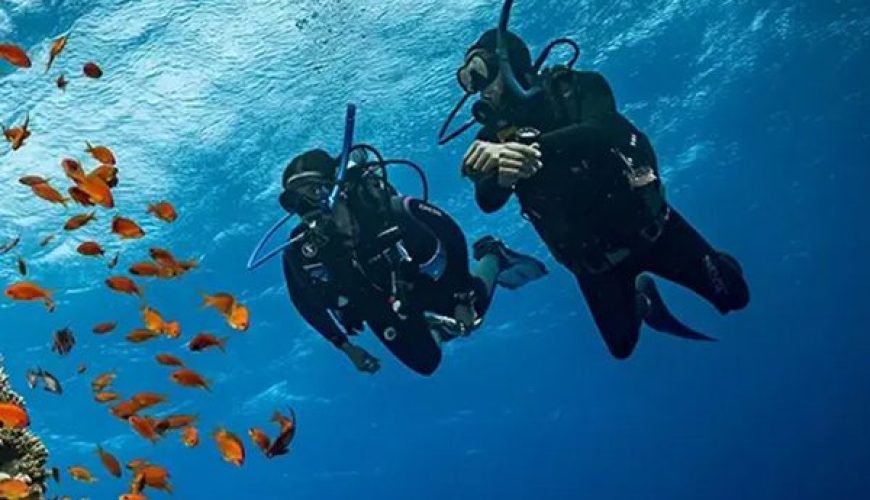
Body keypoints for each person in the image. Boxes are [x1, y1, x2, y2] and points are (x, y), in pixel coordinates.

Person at [438, 0, 750, 359]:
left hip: (653, 230)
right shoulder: (491, 138)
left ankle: (713, 262)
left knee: (736, 297)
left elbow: (606, 129)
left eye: (479, 72)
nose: (478, 90)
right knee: (622, 347)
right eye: (467, 81)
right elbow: (487, 201)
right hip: (595, 264)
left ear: (509, 62)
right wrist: (505, 175)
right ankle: (643, 298)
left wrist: (530, 148)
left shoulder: (576, 87)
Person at [261, 116, 547, 375]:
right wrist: (346, 347)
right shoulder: (300, 251)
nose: (305, 206)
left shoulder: (393, 210)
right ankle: (432, 326)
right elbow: (304, 301)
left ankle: (492, 255)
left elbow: (450, 233)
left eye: (313, 191)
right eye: (294, 200)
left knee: (472, 319)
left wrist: (461, 297)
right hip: (379, 301)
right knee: (426, 364)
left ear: (339, 187)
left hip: (427, 280)